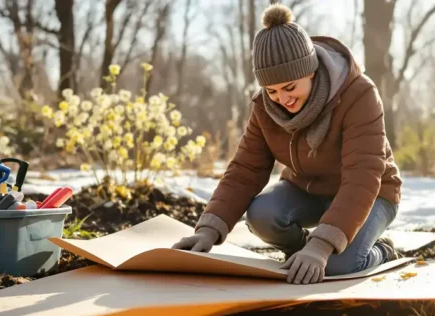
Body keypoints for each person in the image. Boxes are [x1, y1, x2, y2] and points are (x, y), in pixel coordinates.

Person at [172, 3, 403, 285]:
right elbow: (245, 169)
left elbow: (363, 176)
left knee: (341, 265)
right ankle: (304, 257)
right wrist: (208, 230)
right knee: (262, 214)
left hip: (373, 193)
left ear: (311, 70)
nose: (282, 99)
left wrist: (321, 247)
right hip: (307, 190)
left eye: (290, 87)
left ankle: (382, 250)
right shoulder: (264, 107)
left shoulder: (360, 94)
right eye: (272, 90)